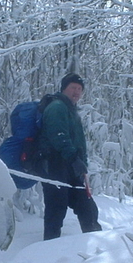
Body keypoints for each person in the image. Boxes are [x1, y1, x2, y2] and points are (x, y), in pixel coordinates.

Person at [37, 73, 102, 240]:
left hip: (71, 166)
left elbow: (78, 141)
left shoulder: (71, 110)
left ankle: (96, 246)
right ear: (64, 88)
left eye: (80, 89)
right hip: (54, 164)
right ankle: (47, 251)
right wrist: (74, 159)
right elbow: (59, 136)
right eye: (73, 87)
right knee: (56, 210)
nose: (77, 92)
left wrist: (81, 163)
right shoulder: (57, 107)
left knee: (87, 207)